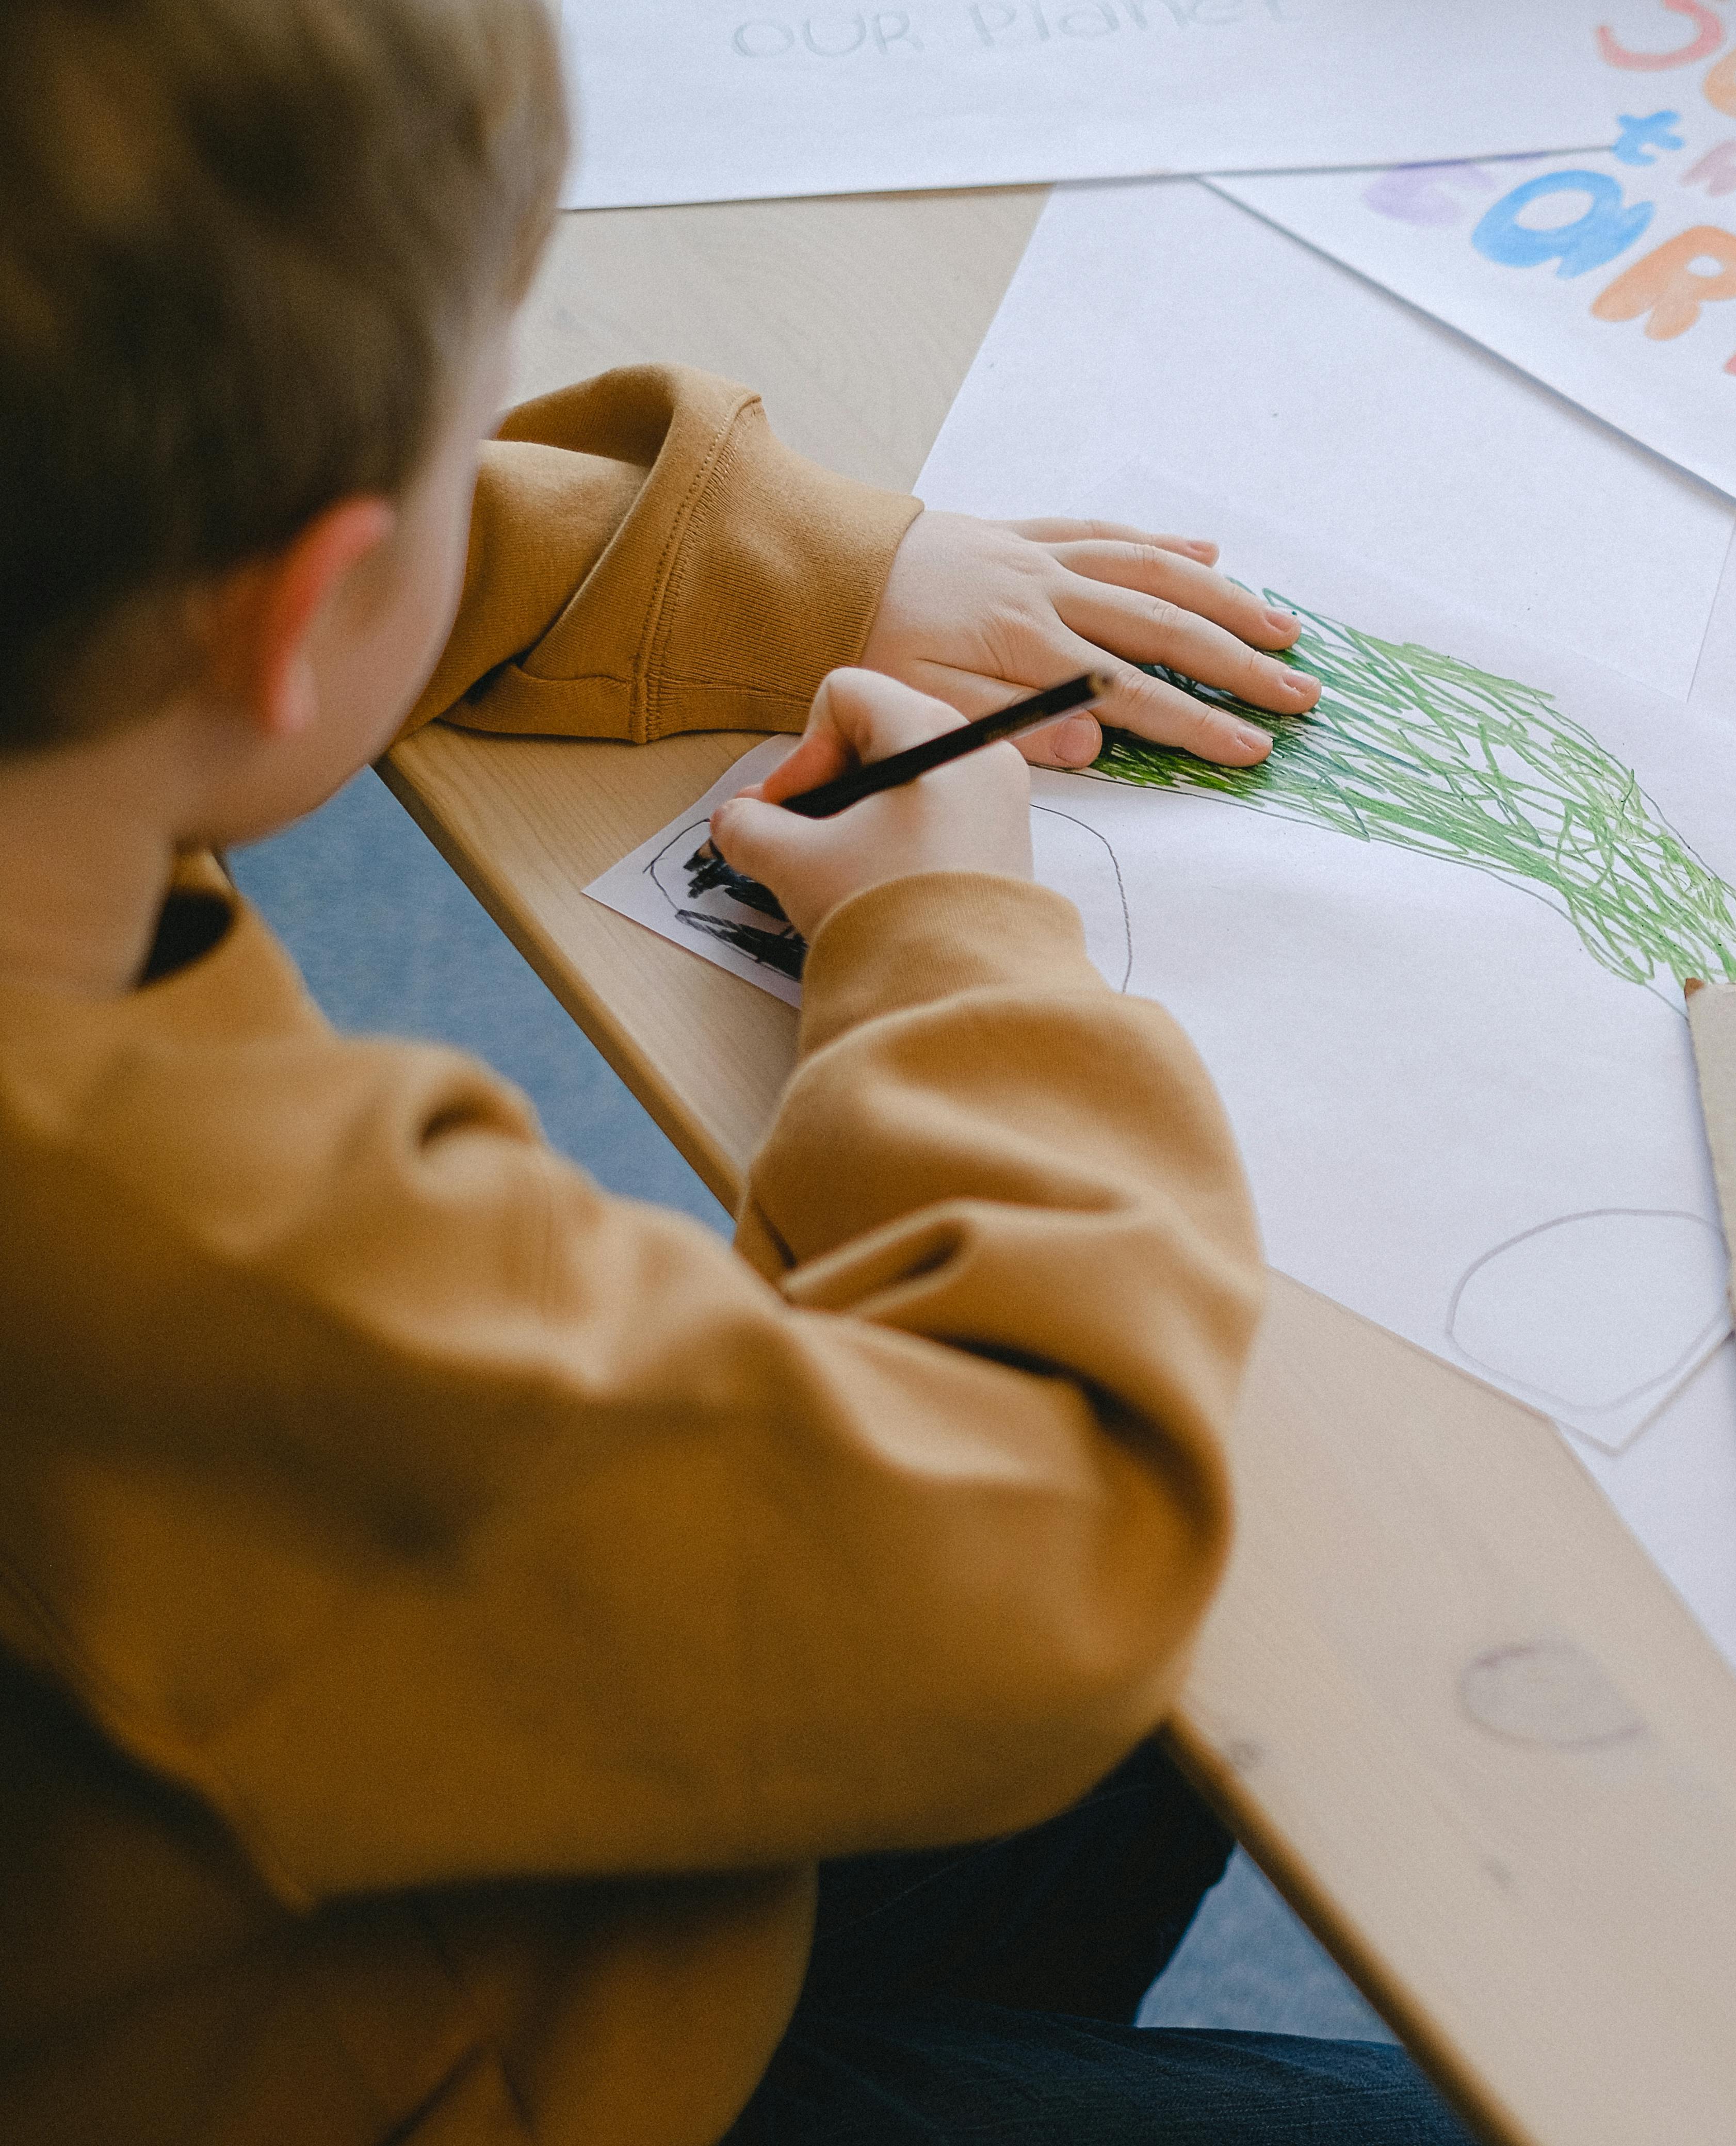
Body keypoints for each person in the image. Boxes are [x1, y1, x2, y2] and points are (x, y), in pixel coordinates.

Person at [0, 3, 1470, 2141]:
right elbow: (1056, 1536)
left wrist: (826, 563)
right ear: (304, 601)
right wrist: (949, 941)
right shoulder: (186, 1244)